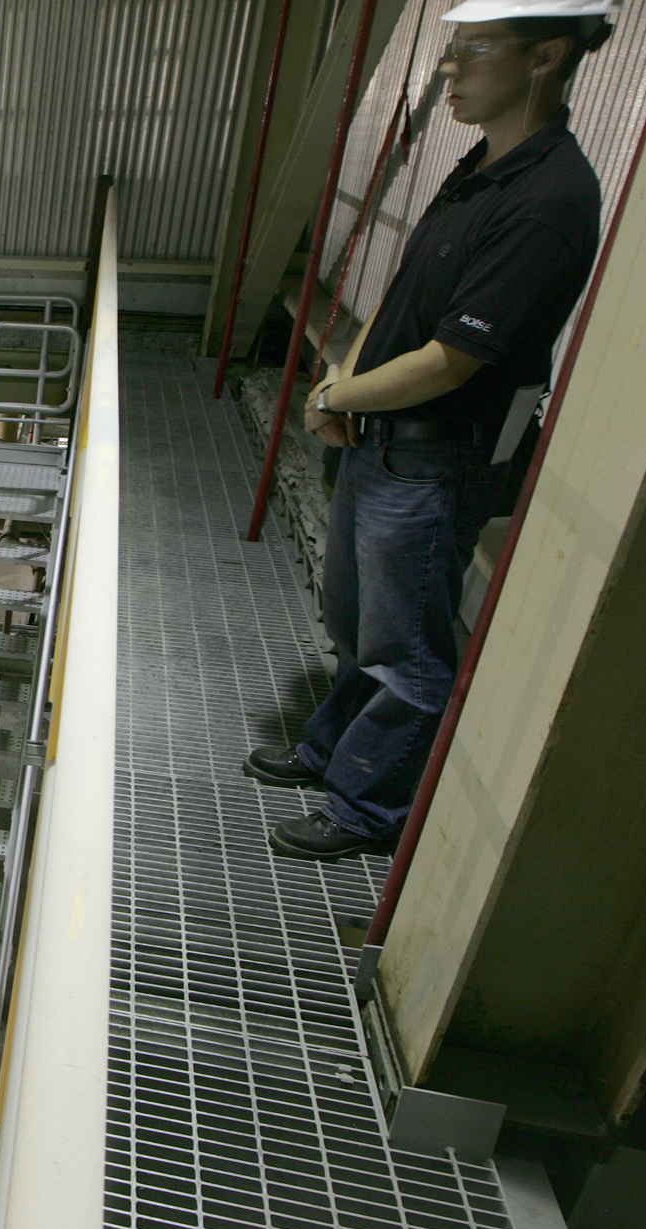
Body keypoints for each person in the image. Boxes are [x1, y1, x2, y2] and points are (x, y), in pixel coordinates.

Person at [246, 0, 612, 859]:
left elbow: (453, 359)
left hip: (435, 459)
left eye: (473, 50)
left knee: (407, 650)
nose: (449, 69)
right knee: (357, 621)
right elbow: (402, 294)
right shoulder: (480, 165)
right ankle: (330, 750)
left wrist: (343, 396)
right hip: (382, 442)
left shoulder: (551, 200)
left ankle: (365, 807)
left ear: (545, 55)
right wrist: (341, 381)